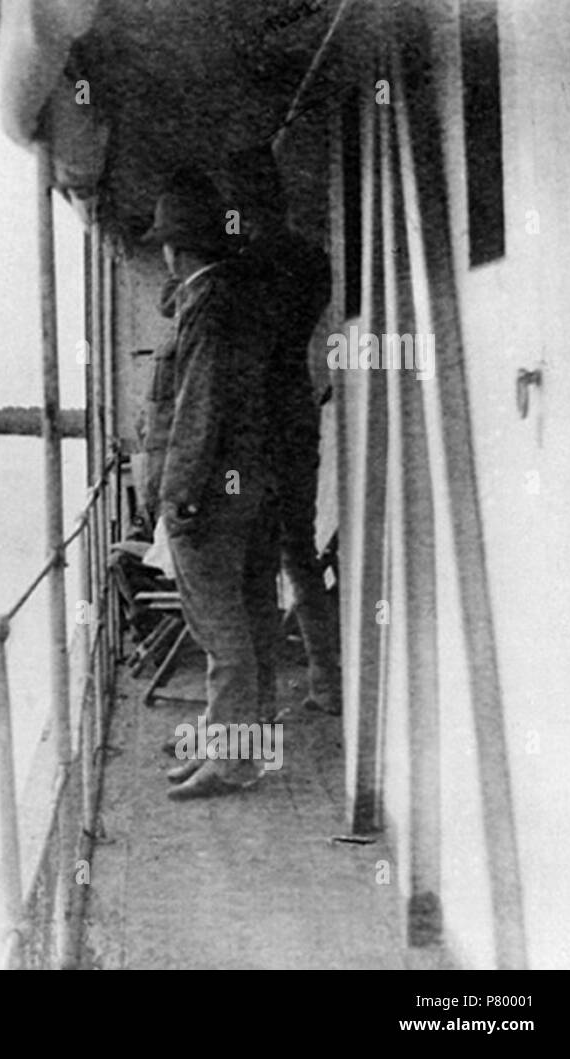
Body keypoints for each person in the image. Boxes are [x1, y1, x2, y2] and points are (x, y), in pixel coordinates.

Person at [147, 177, 281, 800]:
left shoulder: (207, 305)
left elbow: (197, 408)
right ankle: (239, 750)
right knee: (247, 625)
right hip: (248, 486)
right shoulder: (235, 298)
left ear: (176, 250)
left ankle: (231, 763)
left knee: (221, 634)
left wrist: (179, 496)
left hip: (209, 494)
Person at [226, 144, 340, 715]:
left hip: (259, 425)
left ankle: (259, 705)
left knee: (256, 569)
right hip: (298, 413)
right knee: (300, 555)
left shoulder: (245, 265)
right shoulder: (311, 258)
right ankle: (327, 682)